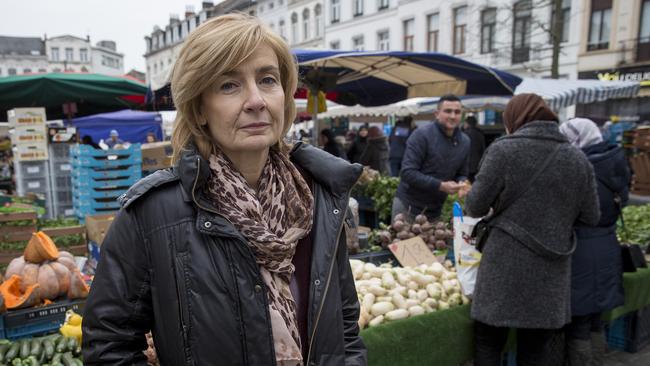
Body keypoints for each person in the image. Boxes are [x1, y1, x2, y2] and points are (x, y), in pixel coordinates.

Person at [82, 13, 367, 366]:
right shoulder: (152, 215)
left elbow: (345, 326)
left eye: (267, 79)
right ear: (200, 108)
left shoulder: (318, 198)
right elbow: (109, 346)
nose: (256, 100)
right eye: (229, 85)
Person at [462, 94, 600, 366]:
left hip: (503, 268)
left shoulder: (503, 150)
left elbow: (475, 206)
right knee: (536, 352)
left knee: (489, 344)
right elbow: (592, 216)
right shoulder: (578, 158)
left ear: (514, 118)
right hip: (551, 270)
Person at [559, 118, 630, 365]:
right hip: (608, 247)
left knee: (578, 325)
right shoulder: (615, 161)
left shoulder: (580, 168)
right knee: (596, 322)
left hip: (581, 251)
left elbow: (570, 212)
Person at [392, 94, 470, 222]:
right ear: (437, 114)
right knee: (404, 242)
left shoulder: (465, 141)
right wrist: (440, 186)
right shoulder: (421, 135)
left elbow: (462, 173)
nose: (452, 116)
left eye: (457, 112)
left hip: (435, 210)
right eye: (448, 111)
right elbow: (407, 172)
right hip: (408, 206)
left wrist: (463, 183)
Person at [463, 114, 486, 182]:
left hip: (466, 167)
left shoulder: (463, 134)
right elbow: (483, 150)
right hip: (478, 166)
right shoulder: (480, 134)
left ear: (467, 123)